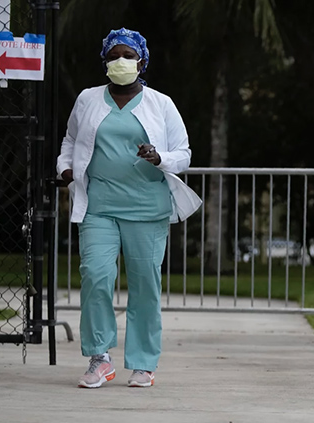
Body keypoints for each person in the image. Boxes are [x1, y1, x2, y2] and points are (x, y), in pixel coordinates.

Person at [57, 28, 200, 388]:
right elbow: (71, 139)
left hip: (146, 209)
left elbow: (183, 154)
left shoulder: (161, 103)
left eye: (128, 56)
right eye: (114, 56)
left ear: (142, 61)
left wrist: (159, 156)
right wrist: (65, 167)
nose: (121, 62)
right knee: (96, 277)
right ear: (105, 61)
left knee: (144, 286)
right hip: (98, 207)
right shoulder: (88, 99)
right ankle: (100, 358)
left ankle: (143, 363)